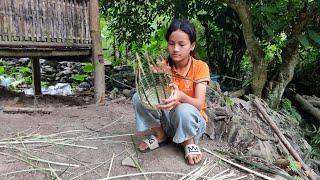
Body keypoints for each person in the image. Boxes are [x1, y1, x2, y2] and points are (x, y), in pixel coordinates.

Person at [132, 19, 210, 165]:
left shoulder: (200, 67)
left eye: (181, 44)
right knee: (138, 98)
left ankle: (188, 142)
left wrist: (180, 96)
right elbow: (154, 96)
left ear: (192, 46)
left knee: (183, 108)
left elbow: (199, 104)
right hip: (168, 122)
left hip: (191, 122)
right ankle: (160, 135)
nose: (175, 49)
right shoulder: (164, 67)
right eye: (171, 43)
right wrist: (154, 78)